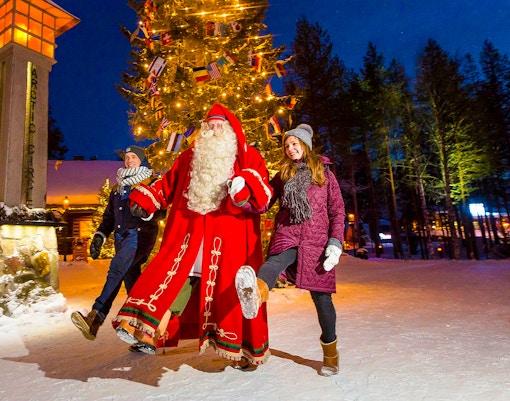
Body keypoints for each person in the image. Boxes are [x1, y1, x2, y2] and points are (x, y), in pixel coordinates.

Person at [112, 103, 273, 368]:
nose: (214, 128)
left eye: (220, 124)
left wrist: (244, 189)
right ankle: (147, 332)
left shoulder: (247, 156)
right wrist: (149, 199)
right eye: (209, 124)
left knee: (229, 292)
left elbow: (262, 193)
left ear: (231, 128)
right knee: (174, 278)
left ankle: (243, 350)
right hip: (190, 233)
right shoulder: (189, 156)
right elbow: (167, 184)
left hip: (228, 240)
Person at [235, 123, 346, 376]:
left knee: (322, 300)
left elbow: (337, 210)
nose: (290, 148)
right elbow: (264, 202)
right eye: (286, 145)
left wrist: (335, 243)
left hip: (317, 240)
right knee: (274, 261)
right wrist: (242, 198)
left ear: (305, 144)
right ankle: (255, 292)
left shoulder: (324, 173)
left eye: (294, 144)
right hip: (288, 231)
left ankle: (330, 354)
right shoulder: (283, 174)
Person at [71, 145, 162, 343]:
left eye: (133, 157)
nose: (129, 160)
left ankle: (95, 317)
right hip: (122, 240)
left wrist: (147, 214)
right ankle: (144, 334)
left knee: (116, 269)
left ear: (141, 159)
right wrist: (100, 235)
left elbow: (161, 209)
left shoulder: (151, 182)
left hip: (140, 236)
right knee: (133, 284)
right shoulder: (117, 187)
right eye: (127, 157)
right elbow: (109, 217)